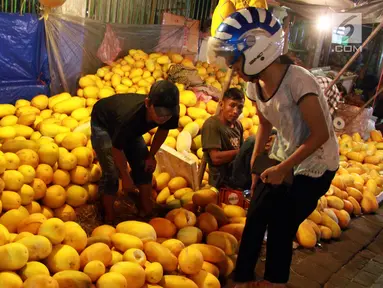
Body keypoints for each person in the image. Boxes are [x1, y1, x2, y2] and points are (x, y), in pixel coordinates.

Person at [207, 7, 339, 288]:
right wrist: (257, 170)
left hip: (316, 163)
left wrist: (282, 169)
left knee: (281, 224)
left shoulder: (299, 80)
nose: (233, 68)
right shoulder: (254, 87)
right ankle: (242, 277)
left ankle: (274, 282)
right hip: (284, 154)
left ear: (259, 52)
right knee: (255, 214)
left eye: (235, 60)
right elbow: (265, 126)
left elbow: (321, 134)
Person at [90, 80, 180, 223]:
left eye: (167, 114)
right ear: (147, 104)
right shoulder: (128, 117)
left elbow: (163, 130)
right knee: (112, 173)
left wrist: (151, 156)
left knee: (145, 164)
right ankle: (109, 217)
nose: (163, 118)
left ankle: (146, 209)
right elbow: (116, 148)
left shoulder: (171, 111)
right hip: (104, 124)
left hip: (131, 130)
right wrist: (125, 176)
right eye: (159, 113)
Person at [201, 87, 255, 190]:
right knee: (252, 141)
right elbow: (216, 158)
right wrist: (243, 151)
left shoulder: (238, 125)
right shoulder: (212, 125)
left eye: (240, 107)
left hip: (238, 172)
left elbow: (242, 155)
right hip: (224, 178)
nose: (236, 111)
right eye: (232, 105)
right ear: (221, 105)